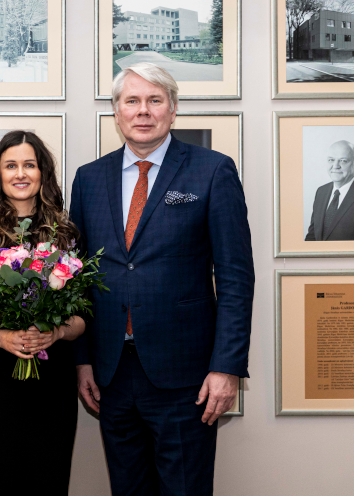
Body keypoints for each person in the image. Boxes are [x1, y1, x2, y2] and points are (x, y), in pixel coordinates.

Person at [70, 63, 254, 496]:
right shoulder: (89, 178)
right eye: (132, 101)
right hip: (111, 373)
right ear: (116, 111)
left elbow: (235, 277)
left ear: (172, 110)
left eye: (155, 100)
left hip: (186, 374)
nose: (143, 111)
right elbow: (76, 279)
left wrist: (226, 367)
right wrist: (82, 360)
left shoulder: (212, 170)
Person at [0, 131, 85, 496]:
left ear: (42, 172)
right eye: (10, 165)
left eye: (29, 165)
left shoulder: (67, 235)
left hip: (52, 382)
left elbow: (82, 319)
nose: (20, 174)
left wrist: (56, 332)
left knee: (48, 482)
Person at [305, 140, 354, 241]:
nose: (335, 166)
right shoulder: (321, 191)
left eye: (343, 161)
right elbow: (312, 236)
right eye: (331, 160)